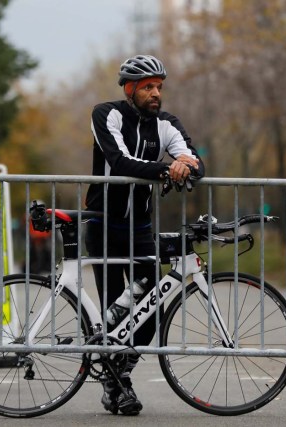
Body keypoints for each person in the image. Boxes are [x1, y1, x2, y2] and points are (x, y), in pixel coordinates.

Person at [84, 54, 204, 416]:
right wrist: (168, 171)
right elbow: (119, 162)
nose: (156, 94)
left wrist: (186, 165)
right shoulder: (106, 114)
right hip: (104, 225)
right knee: (113, 314)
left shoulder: (167, 124)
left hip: (140, 229)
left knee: (149, 316)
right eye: (148, 87)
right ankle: (118, 389)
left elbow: (195, 161)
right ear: (130, 88)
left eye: (159, 87)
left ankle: (117, 376)